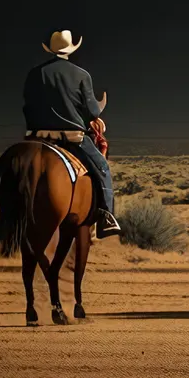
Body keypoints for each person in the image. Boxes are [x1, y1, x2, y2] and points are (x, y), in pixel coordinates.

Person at [22, 29, 121, 238]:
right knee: (102, 167)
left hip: (38, 136)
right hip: (72, 137)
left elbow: (27, 107)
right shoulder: (81, 74)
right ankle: (107, 217)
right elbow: (93, 110)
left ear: (50, 49)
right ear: (71, 49)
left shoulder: (35, 73)